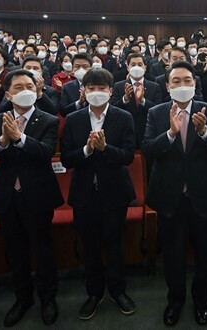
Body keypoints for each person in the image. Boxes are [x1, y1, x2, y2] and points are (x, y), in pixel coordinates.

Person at [142, 61, 207, 326]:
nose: (182, 85)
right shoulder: (156, 113)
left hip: (202, 193)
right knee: (173, 256)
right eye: (176, 81)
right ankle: (175, 301)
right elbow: (147, 149)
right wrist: (170, 133)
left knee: (204, 255)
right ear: (167, 86)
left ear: (195, 84)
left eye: (187, 81)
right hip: (170, 196)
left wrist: (203, 131)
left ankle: (201, 302)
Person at [0, 70, 64, 326]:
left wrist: (20, 139)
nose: (25, 90)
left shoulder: (48, 119)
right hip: (7, 195)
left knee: (43, 250)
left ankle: (48, 298)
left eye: (30, 85)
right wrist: (3, 141)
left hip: (38, 194)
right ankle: (23, 298)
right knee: (15, 251)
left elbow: (46, 152)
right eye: (18, 87)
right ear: (8, 94)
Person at [61, 68, 138, 321]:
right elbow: (66, 159)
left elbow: (128, 155)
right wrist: (86, 149)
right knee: (90, 247)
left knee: (115, 245)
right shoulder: (73, 119)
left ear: (110, 91)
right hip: (84, 194)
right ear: (83, 91)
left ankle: (118, 291)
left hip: (114, 193)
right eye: (91, 88)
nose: (96, 92)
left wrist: (105, 149)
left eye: (101, 88)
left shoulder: (123, 117)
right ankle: (94, 293)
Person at [111, 52, 163, 149]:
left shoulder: (155, 86)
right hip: (126, 131)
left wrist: (143, 101)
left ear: (145, 67)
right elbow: (113, 109)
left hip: (147, 131)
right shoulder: (118, 86)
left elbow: (159, 110)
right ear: (128, 68)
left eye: (140, 65)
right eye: (133, 65)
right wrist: (125, 99)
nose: (136, 67)